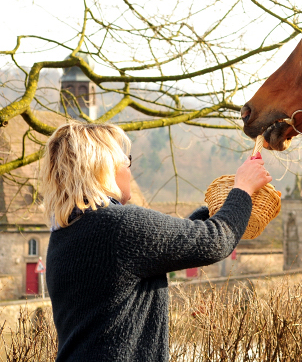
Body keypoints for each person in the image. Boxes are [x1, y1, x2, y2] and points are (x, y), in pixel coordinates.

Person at [41, 122, 271, 361]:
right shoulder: (119, 226)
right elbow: (216, 240)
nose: (130, 169)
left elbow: (176, 240)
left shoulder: (68, 230)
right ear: (105, 168)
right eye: (126, 161)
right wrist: (243, 188)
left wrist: (224, 205)